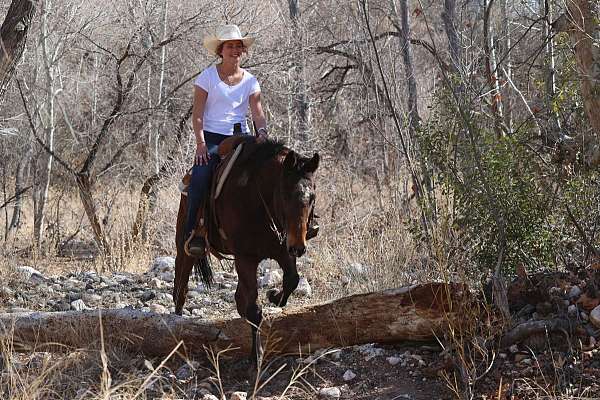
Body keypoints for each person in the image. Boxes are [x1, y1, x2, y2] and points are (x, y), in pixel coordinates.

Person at [185, 24, 268, 256]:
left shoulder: (251, 81)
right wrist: (201, 144)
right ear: (220, 50)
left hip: (240, 136)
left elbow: (258, 113)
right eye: (230, 46)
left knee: (269, 171)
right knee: (200, 176)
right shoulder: (207, 77)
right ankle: (193, 231)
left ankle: (271, 229)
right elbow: (198, 114)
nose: (235, 50)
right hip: (212, 137)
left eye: (238, 46)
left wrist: (262, 132)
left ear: (243, 51)